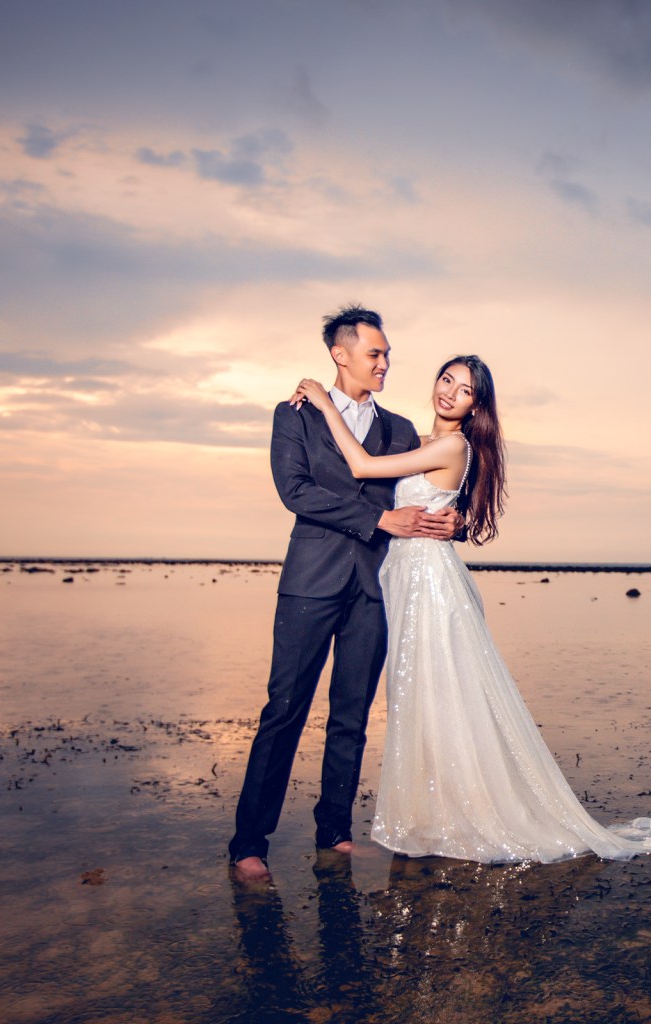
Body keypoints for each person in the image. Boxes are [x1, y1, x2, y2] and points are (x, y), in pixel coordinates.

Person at [289, 356, 651, 863]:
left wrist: (324, 403)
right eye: (447, 380)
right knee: (421, 700)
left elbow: (363, 467)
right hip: (408, 578)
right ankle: (431, 816)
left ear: (477, 405)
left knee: (442, 696)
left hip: (431, 583)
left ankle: (457, 815)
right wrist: (448, 518)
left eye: (466, 390)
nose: (451, 393)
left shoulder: (453, 445)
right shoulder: (420, 441)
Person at [228, 305, 464, 883]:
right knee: (283, 711)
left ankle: (333, 830)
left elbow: (434, 482)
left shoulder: (402, 429)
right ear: (341, 354)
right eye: (375, 353)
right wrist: (379, 520)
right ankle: (248, 842)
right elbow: (296, 492)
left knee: (352, 715)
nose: (385, 363)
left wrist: (450, 519)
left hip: (376, 586)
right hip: (310, 582)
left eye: (386, 355)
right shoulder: (297, 416)